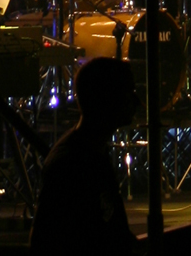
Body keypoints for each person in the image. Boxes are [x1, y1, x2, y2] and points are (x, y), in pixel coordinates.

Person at [30, 58, 142, 255]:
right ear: (107, 98)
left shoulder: (89, 152)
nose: (136, 101)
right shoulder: (72, 164)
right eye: (128, 92)